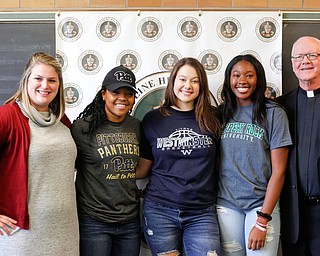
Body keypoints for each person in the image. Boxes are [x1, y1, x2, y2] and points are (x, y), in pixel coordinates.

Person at [136, 57, 222, 256]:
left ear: (202, 84)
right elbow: (143, 168)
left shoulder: (213, 117)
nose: (188, 86)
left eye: (194, 80)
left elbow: (219, 164)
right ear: (173, 81)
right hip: (160, 210)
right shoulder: (153, 119)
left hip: (202, 212)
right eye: (182, 79)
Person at [0, 52, 79, 255]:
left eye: (52, 80)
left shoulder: (61, 120)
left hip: (65, 230)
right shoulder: (8, 116)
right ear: (26, 80)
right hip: (22, 234)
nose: (45, 86)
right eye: (38, 78)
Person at [217, 54, 292, 256]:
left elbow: (279, 171)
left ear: (258, 79)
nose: (242, 81)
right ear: (229, 79)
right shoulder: (221, 113)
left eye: (249, 75)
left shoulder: (274, 113)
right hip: (227, 205)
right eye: (236, 75)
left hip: (261, 205)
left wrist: (262, 219)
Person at [71, 65, 141, 256]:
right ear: (103, 94)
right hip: (94, 221)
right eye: (116, 92)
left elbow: (141, 167)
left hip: (130, 220)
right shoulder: (82, 127)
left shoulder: (136, 126)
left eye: (128, 93)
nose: (122, 98)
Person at [277, 36, 320, 256]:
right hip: (294, 214)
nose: (305, 61)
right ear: (292, 64)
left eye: (312, 55)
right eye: (299, 57)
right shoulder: (281, 106)